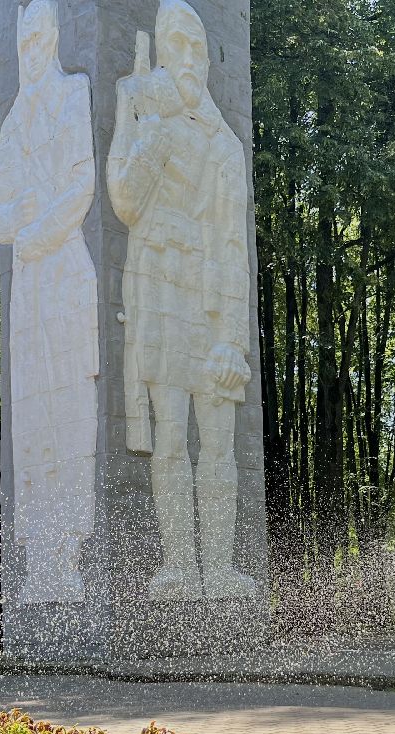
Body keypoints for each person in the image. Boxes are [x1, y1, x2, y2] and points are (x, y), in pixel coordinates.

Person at [106, 0, 257, 601]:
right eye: (178, 45)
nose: (190, 58)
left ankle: (218, 569)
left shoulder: (225, 148)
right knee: (170, 434)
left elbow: (232, 244)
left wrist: (233, 339)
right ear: (163, 51)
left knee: (217, 439)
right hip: (155, 288)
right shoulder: (150, 119)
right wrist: (141, 121)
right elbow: (123, 200)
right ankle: (177, 567)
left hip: (208, 298)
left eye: (198, 46)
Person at [0, 0, 98, 602]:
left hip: (64, 268)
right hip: (29, 282)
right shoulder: (14, 121)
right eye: (22, 41)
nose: (30, 50)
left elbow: (82, 185)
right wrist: (22, 222)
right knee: (32, 420)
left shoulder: (75, 93)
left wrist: (34, 230)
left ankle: (72, 559)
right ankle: (43, 563)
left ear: (53, 39)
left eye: (37, 38)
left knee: (73, 411)